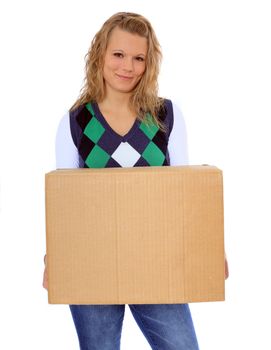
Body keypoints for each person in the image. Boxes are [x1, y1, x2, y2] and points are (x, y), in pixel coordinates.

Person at [43, 11, 228, 350]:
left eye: (138, 58)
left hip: (156, 259)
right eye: (118, 54)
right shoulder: (76, 122)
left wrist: (209, 248)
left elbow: (184, 192)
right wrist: (54, 259)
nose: (127, 66)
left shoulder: (164, 117)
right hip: (92, 262)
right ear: (100, 54)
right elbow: (64, 205)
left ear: (149, 63)